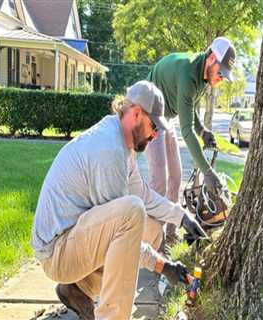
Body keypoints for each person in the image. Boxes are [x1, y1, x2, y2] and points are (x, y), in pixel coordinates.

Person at [30, 80, 207, 320]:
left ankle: (77, 290)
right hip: (57, 252)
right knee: (132, 214)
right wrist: (163, 266)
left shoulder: (121, 142)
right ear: (136, 113)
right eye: (153, 125)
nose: (155, 134)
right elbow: (124, 231)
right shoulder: (109, 151)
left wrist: (182, 217)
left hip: (71, 239)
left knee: (152, 227)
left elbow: (144, 195)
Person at [145, 36, 236, 243]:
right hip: (148, 113)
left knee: (175, 177)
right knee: (159, 179)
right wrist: (208, 172)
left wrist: (202, 130)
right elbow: (186, 130)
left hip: (165, 116)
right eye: (221, 72)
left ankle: (169, 234)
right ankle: (151, 240)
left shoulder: (204, 77)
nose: (221, 79)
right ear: (212, 58)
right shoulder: (188, 75)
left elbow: (189, 106)